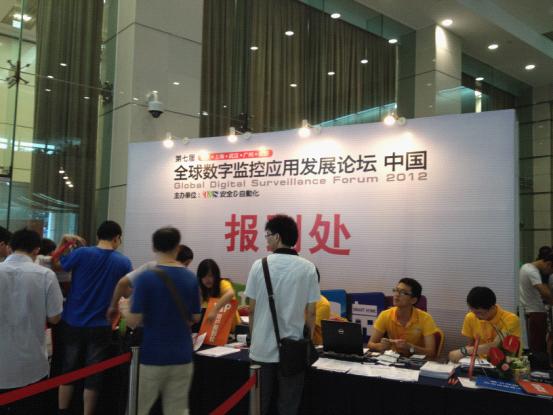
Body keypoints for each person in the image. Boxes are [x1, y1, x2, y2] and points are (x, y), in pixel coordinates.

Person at [245, 214, 320, 415]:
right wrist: (307, 341)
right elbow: (311, 312)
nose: (266, 240)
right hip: (294, 349)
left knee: (258, 406)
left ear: (277, 237)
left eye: (267, 235)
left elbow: (251, 309)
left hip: (261, 349)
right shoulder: (308, 268)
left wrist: (253, 337)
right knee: (288, 407)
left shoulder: (258, 265)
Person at [56, 221, 132, 415]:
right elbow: (128, 292)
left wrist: (63, 244)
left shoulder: (81, 253)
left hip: (73, 321)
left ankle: (62, 411)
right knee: (94, 374)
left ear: (98, 236)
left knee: (68, 370)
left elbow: (57, 265)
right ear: (117, 238)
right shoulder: (123, 262)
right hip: (101, 324)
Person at [125, 227, 201, 415]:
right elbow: (196, 317)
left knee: (139, 408)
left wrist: (124, 309)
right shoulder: (190, 278)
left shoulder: (146, 278)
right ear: (177, 247)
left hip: (153, 354)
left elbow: (134, 321)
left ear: (153, 247)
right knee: (177, 410)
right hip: (182, 355)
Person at [0, 229, 63, 415]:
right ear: (36, 250)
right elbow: (55, 317)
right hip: (31, 364)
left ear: (10, 247)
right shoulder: (45, 275)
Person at [106, 244, 193, 323]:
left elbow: (122, 283)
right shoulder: (183, 278)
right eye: (186, 264)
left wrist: (113, 306)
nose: (185, 268)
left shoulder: (151, 266)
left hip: (144, 323)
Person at [368, 278, 437, 357]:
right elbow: (370, 344)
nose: (397, 295)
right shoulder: (385, 315)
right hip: (392, 359)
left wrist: (410, 348)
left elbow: (431, 352)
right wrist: (380, 346)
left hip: (415, 360)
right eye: (396, 290)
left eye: (403, 293)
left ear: (413, 300)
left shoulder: (426, 318)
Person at [449, 286, 520, 363]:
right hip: (480, 362)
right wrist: (460, 353)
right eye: (473, 312)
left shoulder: (511, 319)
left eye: (480, 313)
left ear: (492, 308)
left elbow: (496, 345)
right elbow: (471, 345)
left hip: (504, 363)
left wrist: (463, 351)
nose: (476, 316)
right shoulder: (470, 317)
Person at [519, 247, 553, 354]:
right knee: (538, 347)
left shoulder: (527, 268)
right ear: (548, 264)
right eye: (551, 270)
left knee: (537, 344)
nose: (550, 273)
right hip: (535, 312)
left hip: (533, 311)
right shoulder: (531, 270)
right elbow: (544, 292)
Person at [196, 258, 241, 326]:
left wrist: (215, 310)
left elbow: (230, 293)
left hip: (231, 326)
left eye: (210, 276)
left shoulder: (223, 283)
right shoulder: (201, 289)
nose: (207, 279)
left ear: (216, 275)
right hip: (214, 327)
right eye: (204, 276)